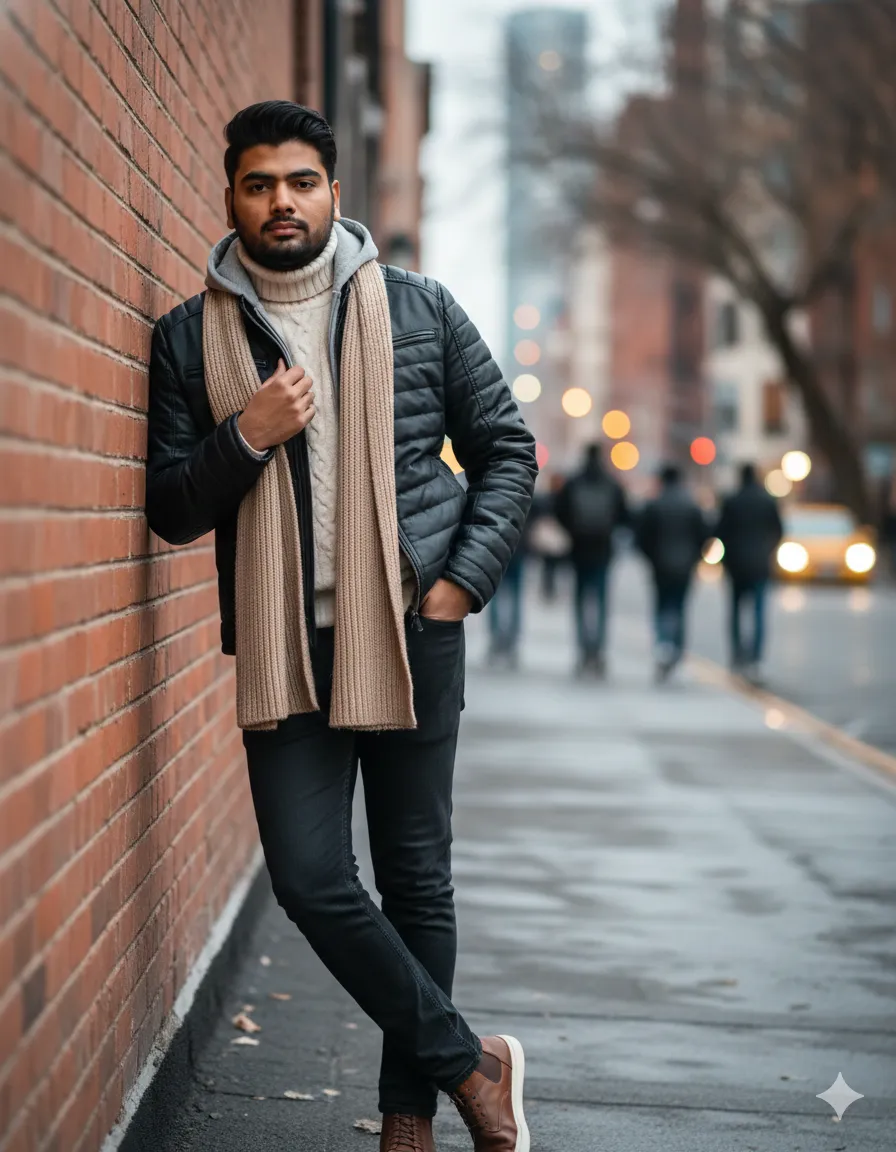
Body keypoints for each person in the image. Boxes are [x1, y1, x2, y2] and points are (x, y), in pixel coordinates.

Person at [145, 101, 537, 1152]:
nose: (282, 201)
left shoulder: (417, 309)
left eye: (301, 182)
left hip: (411, 630)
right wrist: (246, 436)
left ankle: (406, 1118)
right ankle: (467, 1062)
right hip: (285, 651)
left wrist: (458, 584)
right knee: (311, 878)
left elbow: (505, 447)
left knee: (414, 878)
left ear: (333, 191)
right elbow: (172, 507)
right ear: (231, 195)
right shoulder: (189, 337)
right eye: (260, 183)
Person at [555, 443, 630, 676]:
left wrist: (572, 533)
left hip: (578, 551)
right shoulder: (612, 483)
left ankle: (583, 651)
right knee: (600, 603)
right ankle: (597, 652)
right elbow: (624, 516)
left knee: (580, 603)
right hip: (602, 551)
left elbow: (560, 511)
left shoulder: (573, 482)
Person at [635, 465, 709, 680]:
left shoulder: (654, 504)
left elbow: (642, 537)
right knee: (679, 607)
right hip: (684, 566)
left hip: (660, 566)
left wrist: (652, 558)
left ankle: (663, 645)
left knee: (662, 606)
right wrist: (694, 558)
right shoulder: (691, 506)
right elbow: (704, 535)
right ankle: (675, 649)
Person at [715, 463, 784, 683]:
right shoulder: (767, 501)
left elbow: (720, 531)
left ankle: (738, 655)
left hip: (736, 565)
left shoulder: (732, 500)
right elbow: (778, 530)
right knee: (758, 613)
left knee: (735, 612)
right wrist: (766, 550)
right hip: (760, 565)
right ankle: (755, 658)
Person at [487, 509, 531, 667]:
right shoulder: (526, 486)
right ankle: (510, 640)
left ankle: (498, 639)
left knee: (495, 593)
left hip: (496, 543)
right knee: (514, 595)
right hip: (518, 545)